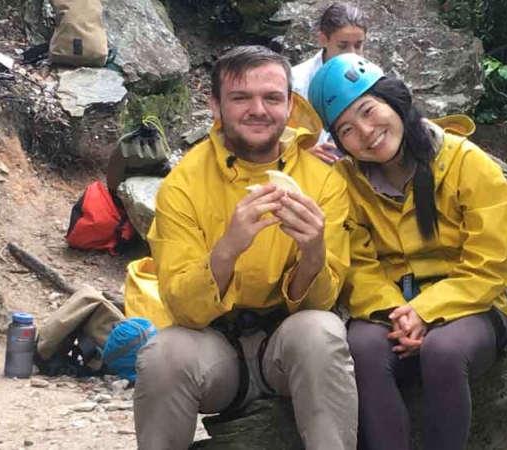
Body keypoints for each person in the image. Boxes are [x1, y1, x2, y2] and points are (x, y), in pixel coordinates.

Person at [134, 45, 357, 450]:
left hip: (285, 351)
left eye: (272, 98)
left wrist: (313, 253)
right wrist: (229, 247)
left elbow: (323, 304)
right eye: (241, 98)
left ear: (290, 106)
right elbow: (182, 307)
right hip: (214, 351)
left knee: (321, 331)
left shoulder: (322, 182)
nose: (258, 109)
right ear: (216, 106)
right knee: (162, 352)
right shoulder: (183, 184)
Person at [309, 53, 507, 450]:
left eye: (369, 111)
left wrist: (427, 311)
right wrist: (400, 316)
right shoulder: (345, 182)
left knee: (443, 349)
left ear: (394, 99)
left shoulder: (466, 162)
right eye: (348, 130)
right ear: (339, 143)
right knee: (362, 346)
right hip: (391, 308)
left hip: (475, 306)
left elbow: (490, 266)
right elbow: (357, 267)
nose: (367, 132)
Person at [292, 2, 367, 164]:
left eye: (358, 45)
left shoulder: (372, 77)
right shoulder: (296, 80)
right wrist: (301, 154)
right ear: (323, 40)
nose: (352, 54)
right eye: (343, 45)